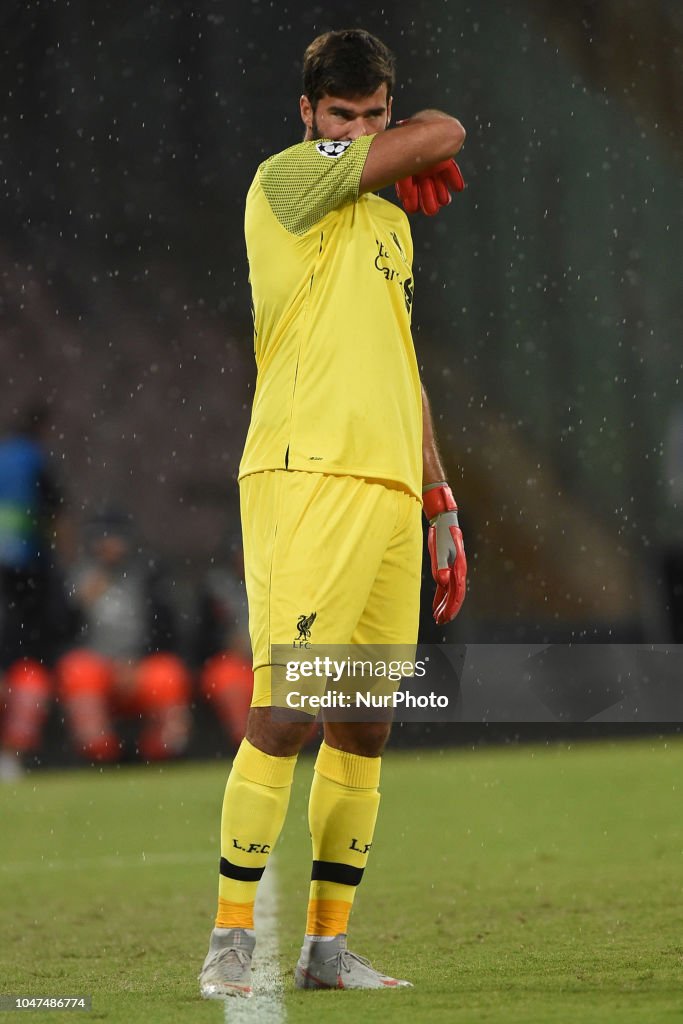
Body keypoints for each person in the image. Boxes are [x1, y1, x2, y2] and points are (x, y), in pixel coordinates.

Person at [199, 28, 468, 998]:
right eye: (338, 115)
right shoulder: (286, 180)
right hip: (305, 470)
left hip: (391, 488)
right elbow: (450, 127)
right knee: (287, 707)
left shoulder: (390, 229)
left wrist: (436, 495)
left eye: (371, 116)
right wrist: (425, 140)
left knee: (363, 724)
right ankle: (230, 938)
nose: (354, 130)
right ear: (307, 116)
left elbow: (401, 365)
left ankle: (324, 948)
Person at [55, 508, 191, 762]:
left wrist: (136, 660)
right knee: (75, 670)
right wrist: (78, 604)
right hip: (96, 666)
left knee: (168, 674)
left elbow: (168, 631)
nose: (109, 545)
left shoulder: (149, 575)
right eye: (102, 538)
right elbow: (57, 634)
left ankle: (159, 752)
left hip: (142, 665)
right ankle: (101, 752)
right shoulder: (78, 576)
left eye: (115, 538)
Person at [0, 403, 74, 780]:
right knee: (29, 667)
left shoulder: (6, 457)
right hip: (28, 570)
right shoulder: (34, 460)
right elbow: (56, 509)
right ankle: (13, 757)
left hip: (11, 575)